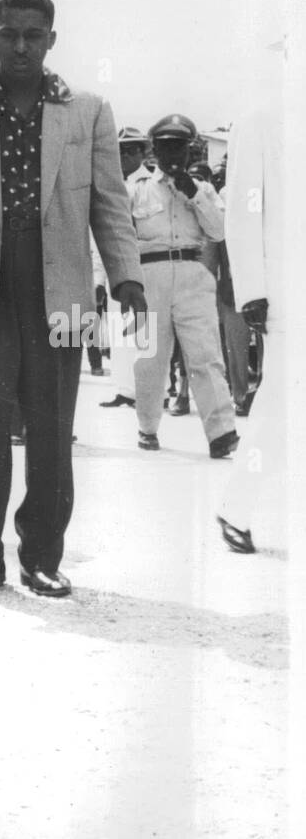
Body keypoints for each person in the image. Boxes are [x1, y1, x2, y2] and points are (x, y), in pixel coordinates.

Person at [0, 0, 146, 599]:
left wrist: (126, 274)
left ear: (51, 39)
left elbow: (109, 203)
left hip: (61, 290)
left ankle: (42, 554)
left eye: (32, 35)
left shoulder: (88, 111)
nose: (20, 46)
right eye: (8, 34)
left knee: (51, 431)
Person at [129, 114, 238, 458]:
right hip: (151, 275)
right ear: (154, 150)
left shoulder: (204, 190)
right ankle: (147, 426)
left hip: (193, 271)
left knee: (206, 355)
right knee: (150, 357)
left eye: (180, 147)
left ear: (191, 151)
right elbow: (120, 237)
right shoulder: (137, 189)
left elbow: (220, 232)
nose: (174, 155)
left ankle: (221, 432)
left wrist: (194, 194)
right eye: (166, 147)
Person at [216, 103, 285, 553]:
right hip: (289, 288)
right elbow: (242, 208)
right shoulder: (262, 118)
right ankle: (236, 507)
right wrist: (252, 291)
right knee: (282, 405)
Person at [99, 127, 151, 410]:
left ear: (143, 152)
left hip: (142, 266)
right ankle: (123, 389)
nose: (125, 156)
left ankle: (148, 389)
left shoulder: (148, 183)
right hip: (114, 268)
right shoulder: (111, 182)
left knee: (144, 330)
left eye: (132, 150)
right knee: (118, 328)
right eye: (121, 151)